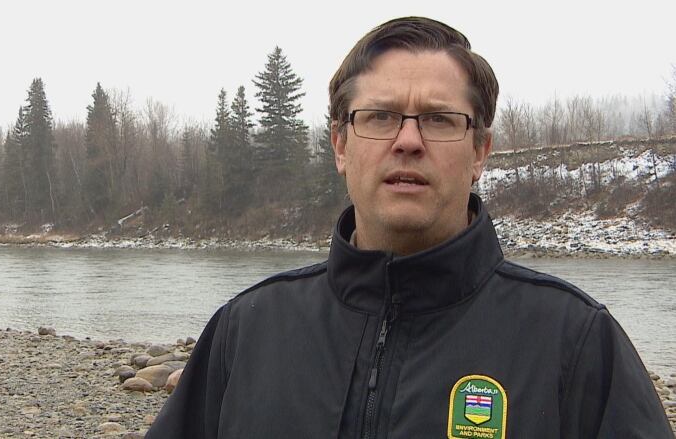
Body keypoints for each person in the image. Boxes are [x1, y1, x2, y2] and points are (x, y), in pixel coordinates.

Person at [145, 17, 672, 438]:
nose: (408, 141)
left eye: (440, 119)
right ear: (340, 146)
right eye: (379, 116)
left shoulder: (576, 341)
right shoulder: (247, 331)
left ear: (479, 153)